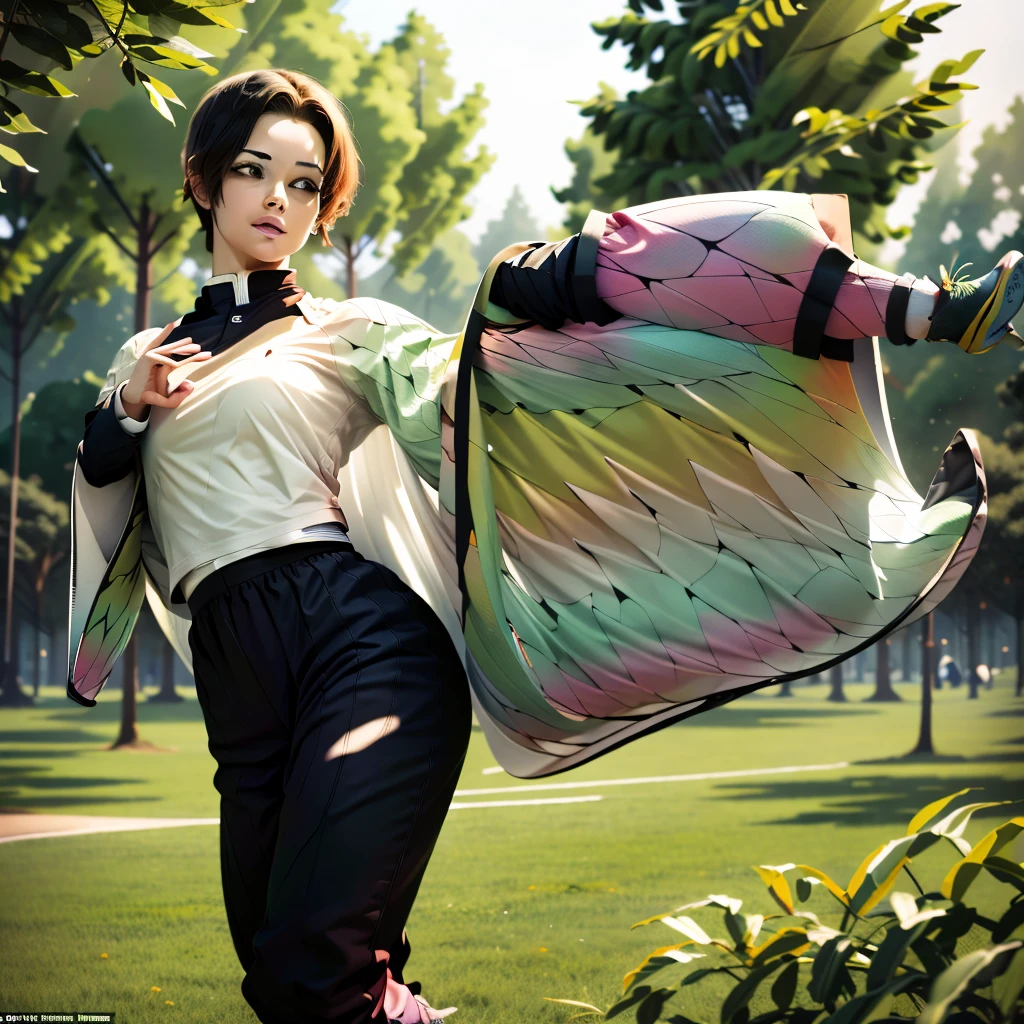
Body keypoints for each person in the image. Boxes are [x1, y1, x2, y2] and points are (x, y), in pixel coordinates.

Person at [67, 67, 1023, 1024]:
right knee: (292, 989)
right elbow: (108, 495)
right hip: (240, 687)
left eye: (307, 182)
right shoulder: (142, 359)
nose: (280, 198)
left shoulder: (346, 332)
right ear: (204, 180)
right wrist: (125, 403)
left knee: (313, 973)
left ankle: (914, 306)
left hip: (360, 649)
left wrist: (551, 280)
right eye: (253, 169)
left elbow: (468, 389)